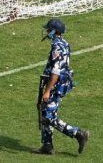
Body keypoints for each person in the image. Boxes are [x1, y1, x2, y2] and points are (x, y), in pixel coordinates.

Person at [36, 18, 90, 155]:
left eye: (49, 29)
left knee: (48, 116)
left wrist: (47, 90)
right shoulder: (64, 43)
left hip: (55, 85)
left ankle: (78, 134)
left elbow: (55, 71)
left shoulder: (57, 47)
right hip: (60, 83)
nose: (47, 32)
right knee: (45, 112)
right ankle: (47, 145)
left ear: (55, 31)